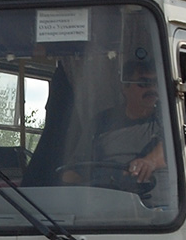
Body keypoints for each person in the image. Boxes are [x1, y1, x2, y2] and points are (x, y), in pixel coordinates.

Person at [63, 60, 168, 197]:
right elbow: (76, 169)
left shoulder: (169, 117)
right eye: (145, 83)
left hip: (159, 210)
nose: (152, 89)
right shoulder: (101, 122)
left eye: (156, 83)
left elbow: (173, 146)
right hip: (108, 205)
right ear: (125, 87)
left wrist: (149, 162)